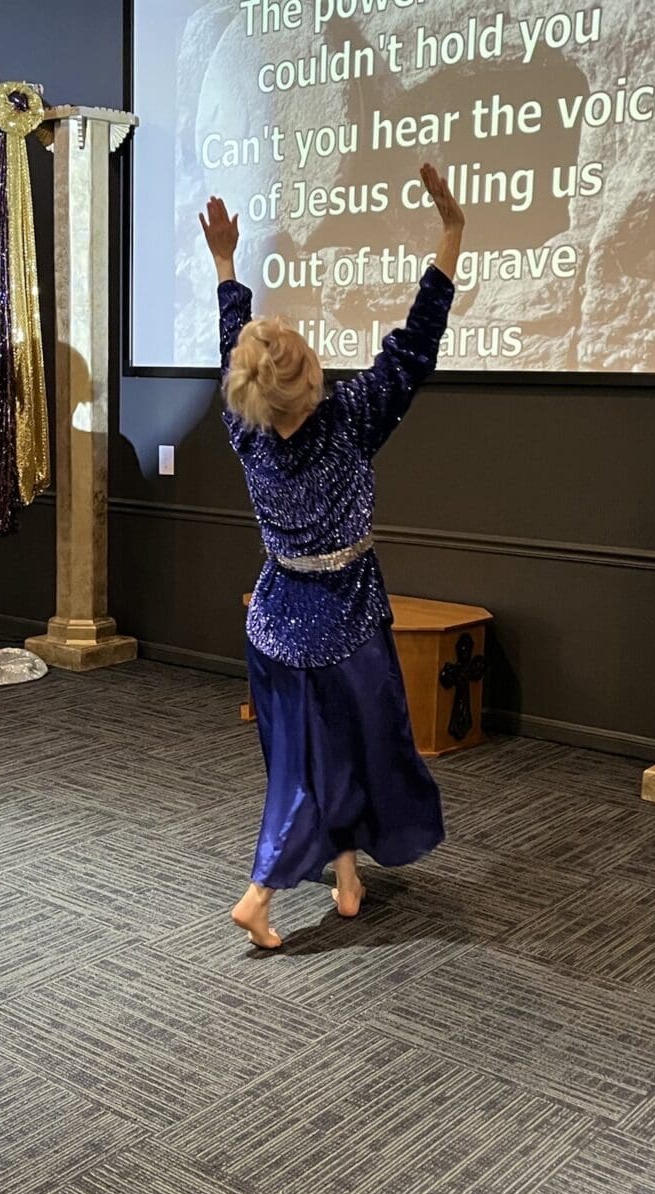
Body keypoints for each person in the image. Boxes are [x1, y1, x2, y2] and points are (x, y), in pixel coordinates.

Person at [199, 163, 464, 949]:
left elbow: (231, 347)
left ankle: (345, 875)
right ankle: (260, 891)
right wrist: (452, 232)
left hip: (274, 625)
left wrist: (224, 265)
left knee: (308, 758)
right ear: (311, 374)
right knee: (328, 768)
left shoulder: (243, 428)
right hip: (341, 631)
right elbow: (416, 343)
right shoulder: (351, 420)